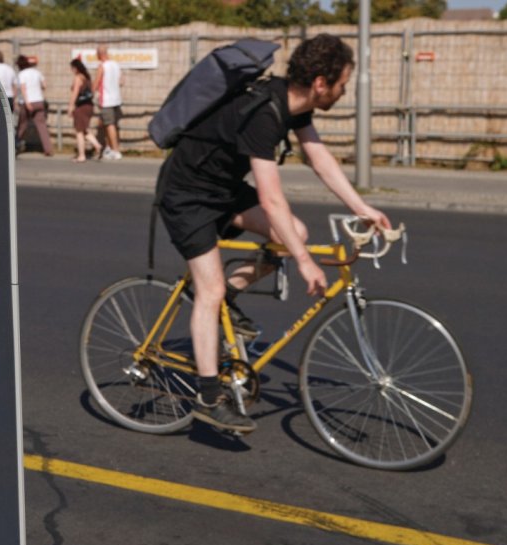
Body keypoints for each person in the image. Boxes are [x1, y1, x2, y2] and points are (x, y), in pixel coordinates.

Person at [155, 33, 391, 434]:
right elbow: (271, 198)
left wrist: (362, 207)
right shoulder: (265, 112)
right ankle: (209, 398)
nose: (344, 91)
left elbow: (319, 157)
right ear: (321, 83)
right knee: (210, 288)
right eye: (342, 83)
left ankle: (226, 295)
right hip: (188, 194)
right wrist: (304, 261)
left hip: (223, 191)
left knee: (292, 231)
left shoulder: (290, 102)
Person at [16, 55, 53, 157]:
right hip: (39, 101)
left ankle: (14, 145)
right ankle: (48, 149)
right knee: (42, 126)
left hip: (28, 102)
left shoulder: (22, 74)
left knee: (22, 126)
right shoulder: (38, 73)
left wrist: (27, 103)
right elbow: (44, 86)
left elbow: (23, 89)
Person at [68, 58, 103, 163]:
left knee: (79, 131)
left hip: (81, 107)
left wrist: (70, 106)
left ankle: (81, 155)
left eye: (72, 68)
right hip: (89, 106)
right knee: (84, 129)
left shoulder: (78, 78)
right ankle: (97, 145)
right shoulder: (87, 78)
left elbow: (75, 93)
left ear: (75, 68)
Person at [92, 45, 123, 160]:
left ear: (100, 54)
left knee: (110, 125)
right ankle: (108, 147)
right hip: (116, 99)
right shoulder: (116, 65)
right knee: (104, 124)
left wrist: (90, 93)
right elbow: (121, 81)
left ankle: (116, 151)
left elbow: (96, 82)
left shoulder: (102, 66)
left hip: (107, 100)